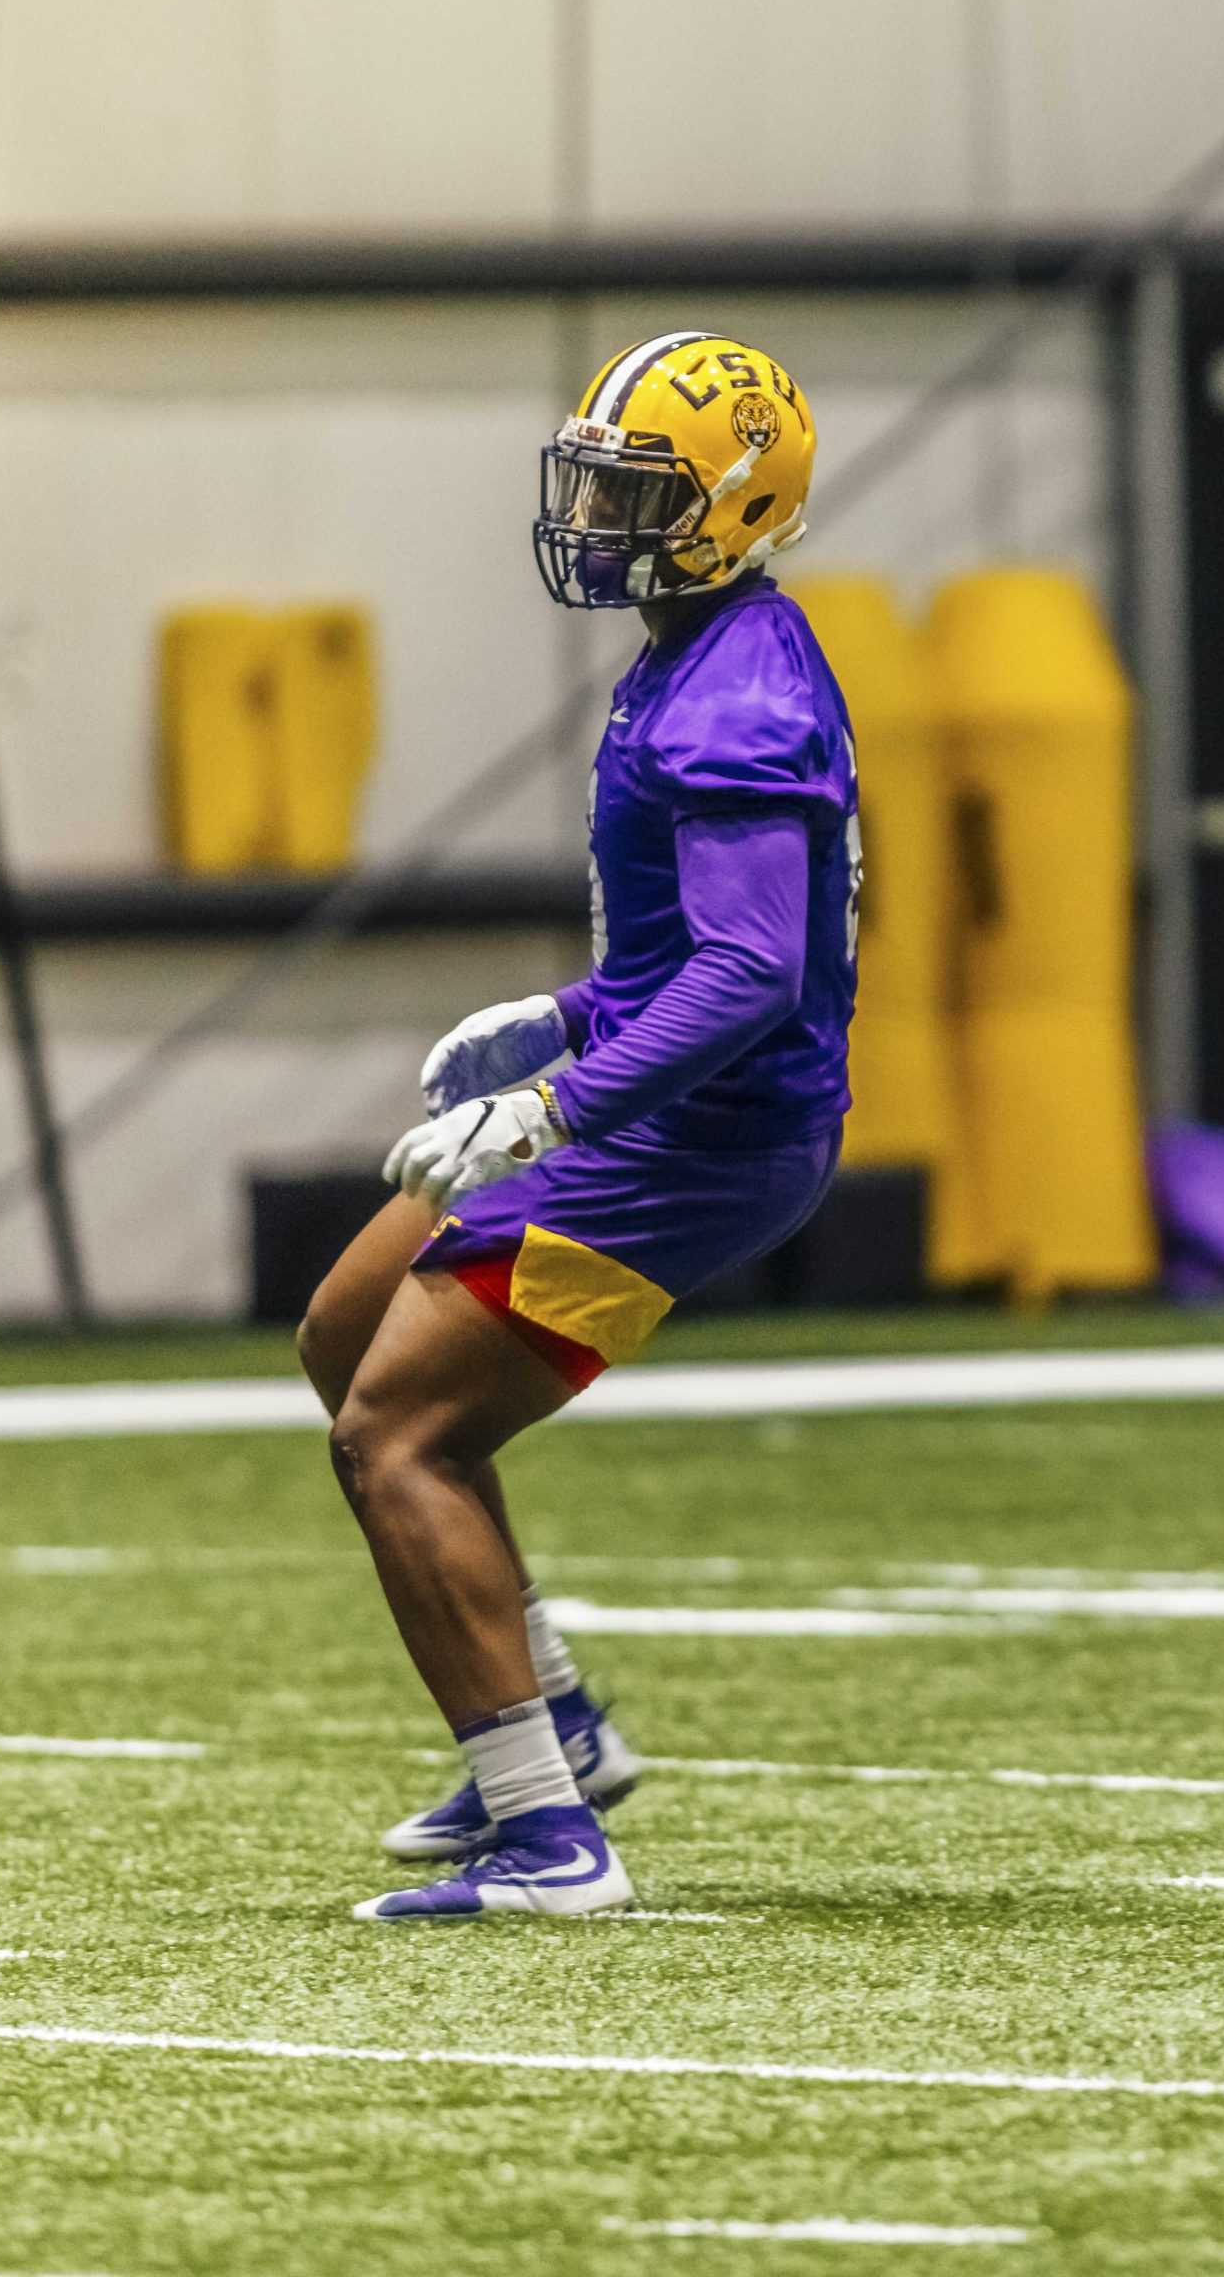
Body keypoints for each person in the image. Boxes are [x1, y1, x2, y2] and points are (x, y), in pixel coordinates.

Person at [298, 331, 861, 1920]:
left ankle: (550, 1835)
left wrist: (557, 1098)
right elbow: (704, 949)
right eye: (599, 479)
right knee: (345, 1334)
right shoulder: (703, 646)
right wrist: (564, 1014)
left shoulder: (734, 691)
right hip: (656, 1095)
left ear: (737, 508)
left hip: (699, 1145)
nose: (600, 514)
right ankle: (561, 1722)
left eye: (639, 489)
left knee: (396, 1434)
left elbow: (756, 974)